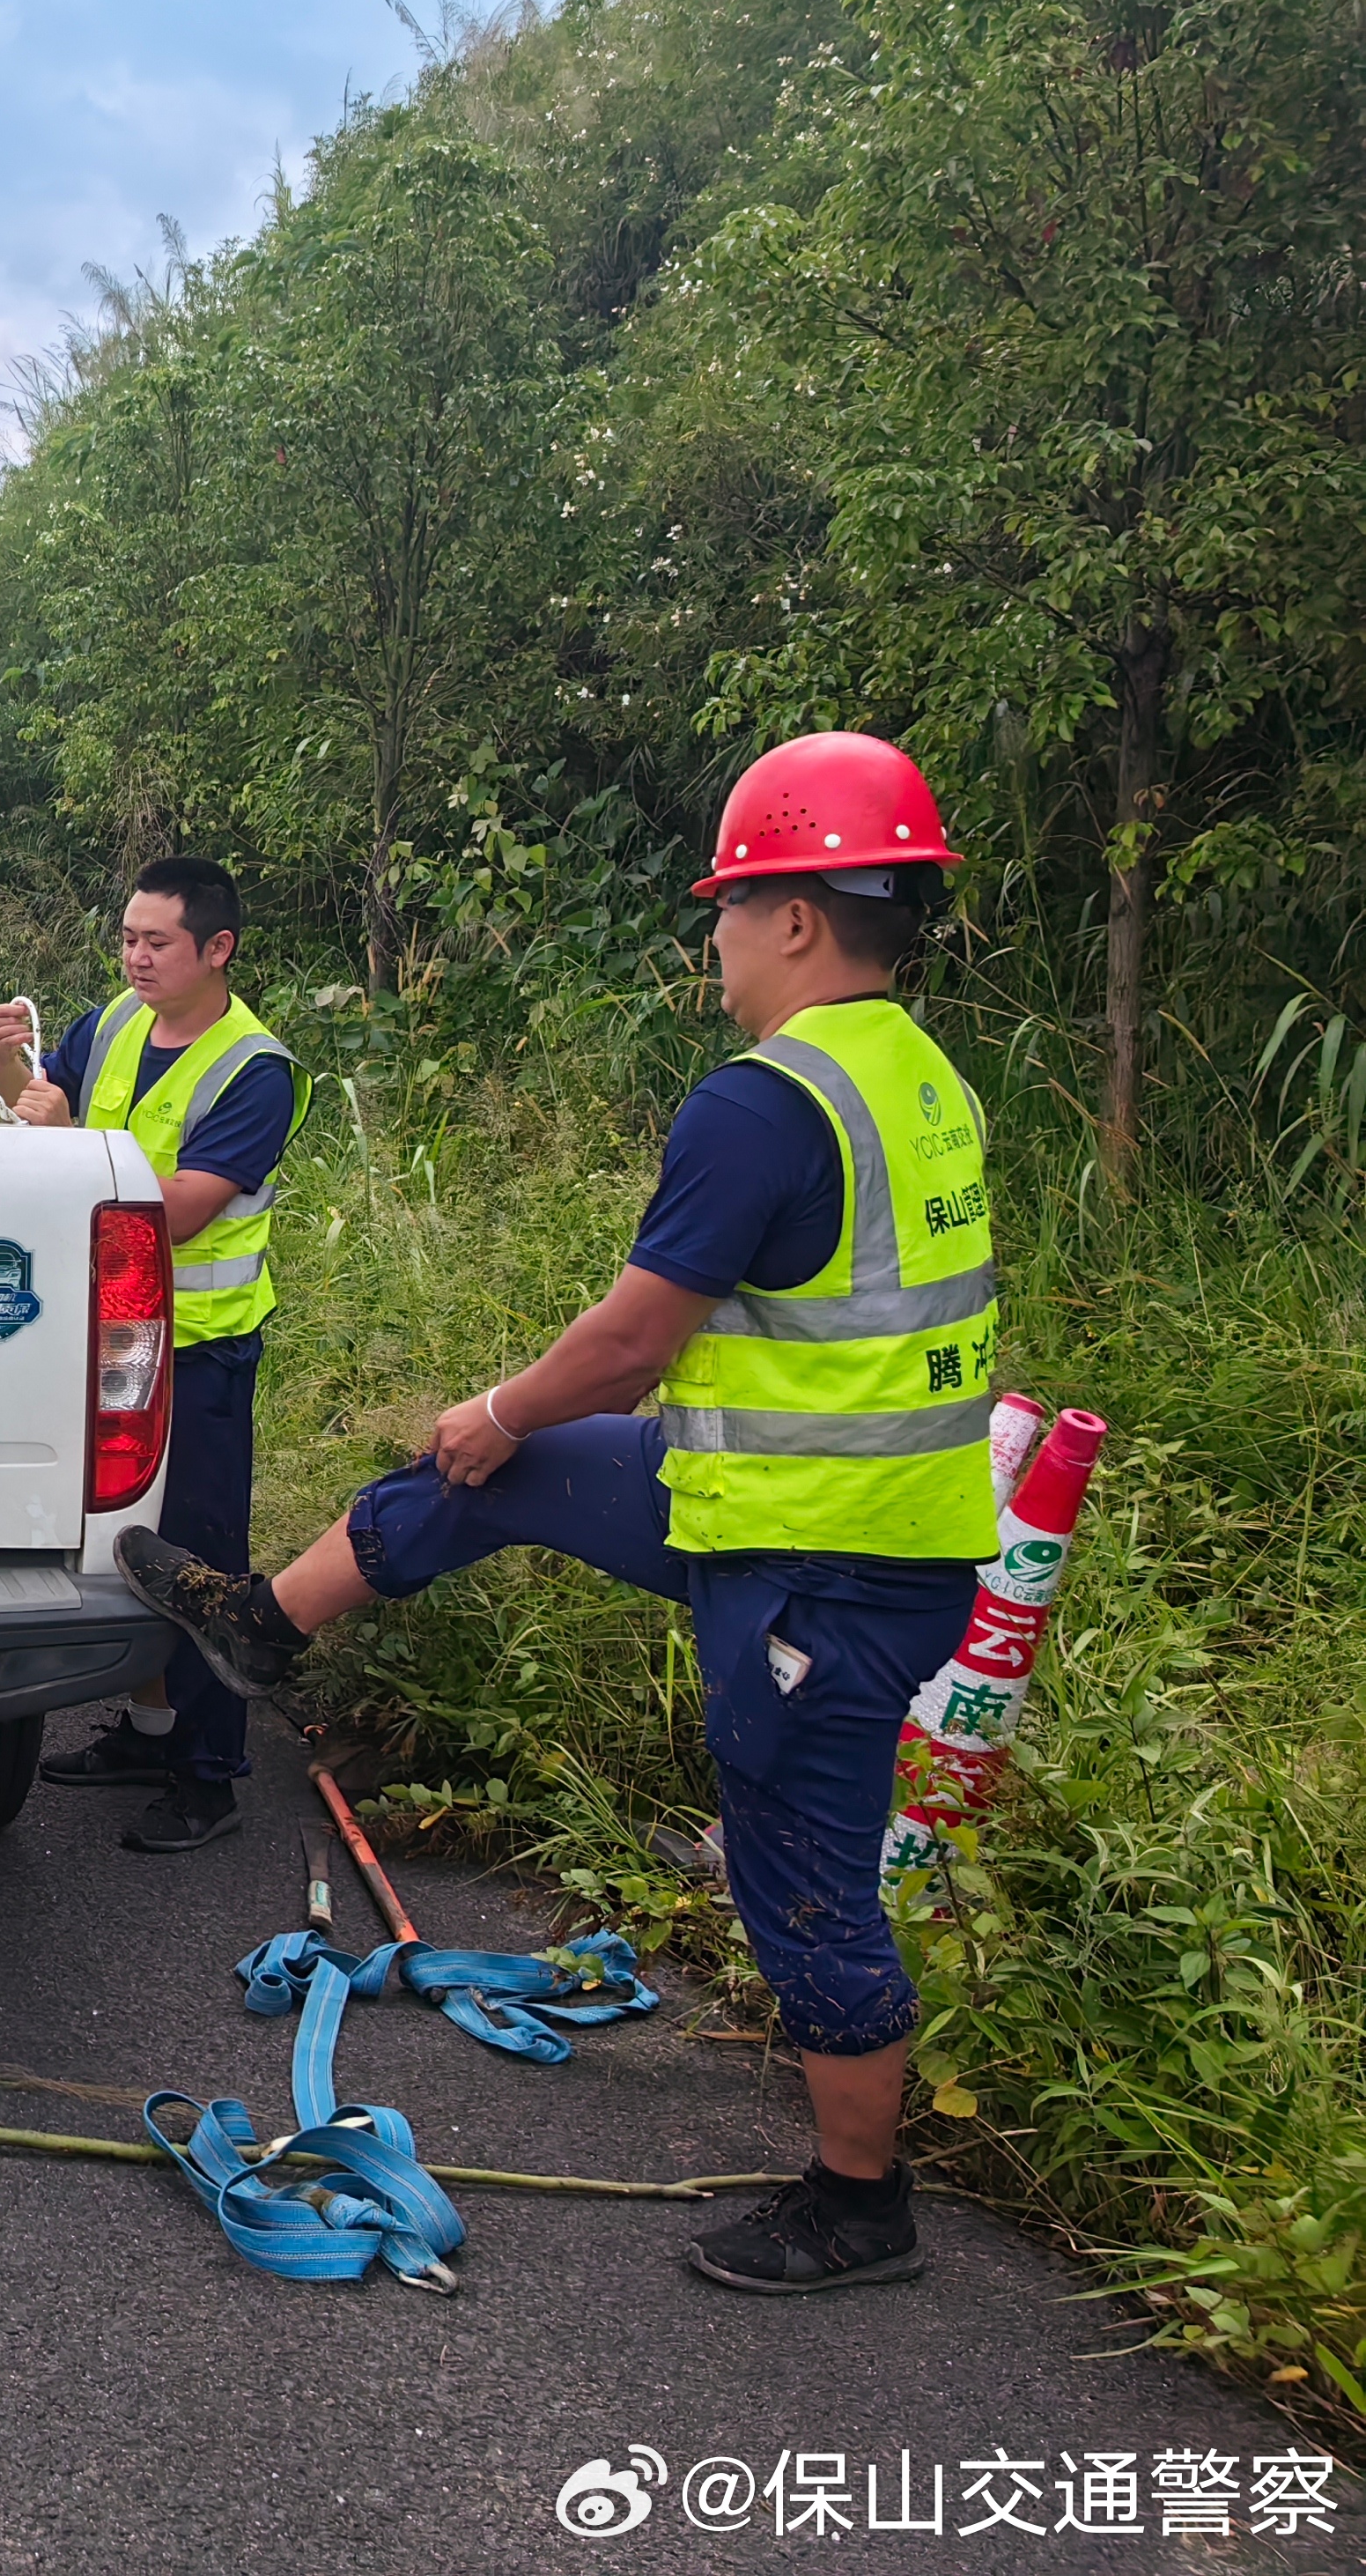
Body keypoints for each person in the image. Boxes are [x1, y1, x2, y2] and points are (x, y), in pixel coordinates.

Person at [117, 732, 994, 2297]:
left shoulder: (764, 1102)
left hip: (823, 1564)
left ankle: (861, 2201)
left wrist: (501, 1399)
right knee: (490, 1475)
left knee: (801, 1869)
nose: (713, 937)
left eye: (728, 909)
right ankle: (262, 1624)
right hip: (782, 1502)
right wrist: (501, 1434)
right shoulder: (917, 1073)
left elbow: (631, 1340)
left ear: (798, 917)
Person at [0, 856, 302, 1856]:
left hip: (197, 1356)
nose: (135, 957)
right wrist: (9, 1075)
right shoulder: (113, 1021)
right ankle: (148, 1734)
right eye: (126, 937)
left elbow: (185, 1206)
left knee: (198, 1558)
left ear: (217, 950)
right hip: (90, 1340)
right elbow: (37, 1107)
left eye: (156, 942)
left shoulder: (256, 1069)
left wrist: (66, 1143)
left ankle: (210, 1778)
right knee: (112, 1546)